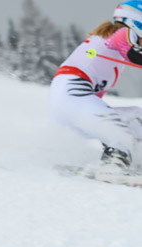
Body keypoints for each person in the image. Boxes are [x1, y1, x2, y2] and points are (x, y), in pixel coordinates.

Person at [49, 1, 142, 184]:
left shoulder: (110, 44)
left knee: (136, 118)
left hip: (73, 103)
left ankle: (131, 160)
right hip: (73, 98)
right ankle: (113, 165)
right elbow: (135, 55)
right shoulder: (121, 33)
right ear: (136, 23)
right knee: (121, 134)